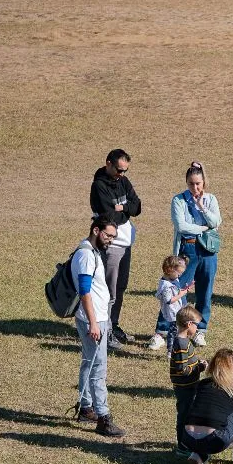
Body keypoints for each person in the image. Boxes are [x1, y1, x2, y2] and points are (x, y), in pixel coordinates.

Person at [150, 161, 222, 350]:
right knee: (176, 291)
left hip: (208, 251)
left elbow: (216, 221)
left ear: (204, 182)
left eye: (198, 183)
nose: (195, 187)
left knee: (205, 292)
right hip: (187, 250)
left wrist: (202, 207)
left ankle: (200, 330)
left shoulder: (211, 199)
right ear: (186, 182)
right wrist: (203, 228)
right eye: (191, 183)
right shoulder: (179, 200)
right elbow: (181, 226)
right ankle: (162, 331)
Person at [69, 217, 125, 437]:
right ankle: (103, 418)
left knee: (89, 362)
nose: (110, 240)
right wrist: (94, 322)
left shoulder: (90, 252)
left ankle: (85, 407)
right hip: (93, 319)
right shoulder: (85, 255)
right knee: (98, 369)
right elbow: (84, 291)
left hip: (96, 318)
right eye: (108, 235)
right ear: (96, 230)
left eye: (113, 237)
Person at [90, 149, 142, 349]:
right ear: (108, 164)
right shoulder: (99, 186)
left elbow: (137, 206)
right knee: (108, 291)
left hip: (126, 244)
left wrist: (124, 209)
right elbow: (109, 217)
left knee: (120, 287)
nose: (122, 174)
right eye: (119, 170)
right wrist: (124, 211)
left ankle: (114, 324)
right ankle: (105, 331)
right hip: (110, 247)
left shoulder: (123, 182)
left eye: (125, 170)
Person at [170, 306, 207, 455]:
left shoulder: (185, 341)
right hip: (185, 387)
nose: (197, 328)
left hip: (191, 385)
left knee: (189, 414)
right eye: (196, 325)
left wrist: (198, 363)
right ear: (189, 324)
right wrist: (200, 368)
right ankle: (183, 446)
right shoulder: (181, 344)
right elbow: (182, 369)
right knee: (184, 415)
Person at [155, 255, 192, 356]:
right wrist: (181, 295)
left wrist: (183, 290)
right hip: (173, 312)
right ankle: (171, 351)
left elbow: (176, 291)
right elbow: (169, 300)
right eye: (178, 273)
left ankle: (178, 349)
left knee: (178, 331)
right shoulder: (166, 285)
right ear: (169, 270)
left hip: (177, 310)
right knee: (173, 332)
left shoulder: (173, 279)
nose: (179, 276)